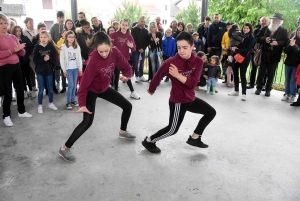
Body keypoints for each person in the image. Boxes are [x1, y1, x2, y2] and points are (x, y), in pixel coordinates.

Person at [58, 32, 136, 162]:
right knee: (87, 122)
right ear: (95, 48)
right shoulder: (93, 61)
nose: (104, 54)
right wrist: (82, 104)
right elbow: (83, 86)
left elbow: (127, 67)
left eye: (106, 50)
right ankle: (64, 148)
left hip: (104, 88)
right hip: (91, 91)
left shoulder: (115, 53)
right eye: (101, 51)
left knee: (127, 106)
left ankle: (123, 131)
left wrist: (127, 76)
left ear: (111, 46)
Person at [141, 32, 216, 154]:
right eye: (179, 47)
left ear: (193, 46)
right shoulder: (172, 62)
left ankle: (195, 138)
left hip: (190, 99)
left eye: (185, 47)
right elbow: (158, 75)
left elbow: (192, 84)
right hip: (178, 101)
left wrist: (177, 75)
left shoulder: (198, 62)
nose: (181, 51)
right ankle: (149, 141)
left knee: (211, 112)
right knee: (172, 130)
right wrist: (152, 88)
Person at [0, 14, 33, 127]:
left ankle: (21, 111)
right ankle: (6, 115)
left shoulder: (13, 37)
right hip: (4, 67)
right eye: (1, 23)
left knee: (20, 89)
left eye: (5, 23)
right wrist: (13, 49)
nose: (4, 25)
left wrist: (21, 50)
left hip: (16, 65)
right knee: (7, 92)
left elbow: (21, 53)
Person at [255, 13, 288, 97]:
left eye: (277, 20)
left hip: (275, 55)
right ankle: (258, 87)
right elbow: (257, 38)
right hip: (264, 54)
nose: (275, 22)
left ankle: (268, 89)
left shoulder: (283, 30)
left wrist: (277, 43)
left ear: (280, 22)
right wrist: (264, 39)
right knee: (261, 72)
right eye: (274, 20)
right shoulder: (266, 28)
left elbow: (286, 42)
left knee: (271, 74)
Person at [109, 19, 140, 99]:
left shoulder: (129, 36)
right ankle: (115, 93)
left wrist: (131, 46)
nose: (124, 26)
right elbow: (106, 42)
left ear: (128, 27)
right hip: (115, 59)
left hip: (125, 59)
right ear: (120, 25)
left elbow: (134, 49)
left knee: (127, 76)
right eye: (123, 24)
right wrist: (111, 46)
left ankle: (132, 92)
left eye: (126, 25)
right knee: (116, 76)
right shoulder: (114, 34)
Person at [33, 30, 59, 113]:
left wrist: (50, 59)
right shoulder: (37, 47)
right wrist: (43, 59)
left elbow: (55, 59)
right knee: (41, 89)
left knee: (50, 89)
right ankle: (39, 105)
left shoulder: (51, 47)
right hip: (40, 71)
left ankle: (51, 103)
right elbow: (35, 59)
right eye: (41, 37)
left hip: (49, 71)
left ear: (48, 38)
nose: (43, 39)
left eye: (45, 37)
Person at [228, 23, 255, 101]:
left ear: (250, 29)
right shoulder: (239, 35)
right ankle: (236, 90)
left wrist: (237, 50)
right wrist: (232, 48)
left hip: (244, 59)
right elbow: (232, 43)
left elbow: (248, 49)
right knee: (235, 74)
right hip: (236, 57)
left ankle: (244, 94)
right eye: (244, 28)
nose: (245, 29)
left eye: (247, 28)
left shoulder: (251, 38)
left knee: (242, 75)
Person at [60, 30, 83, 109]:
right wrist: (64, 70)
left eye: (73, 37)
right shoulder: (63, 47)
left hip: (75, 68)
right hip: (68, 69)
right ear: (66, 38)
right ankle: (68, 102)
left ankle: (73, 100)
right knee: (71, 85)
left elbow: (79, 58)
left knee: (74, 85)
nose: (71, 39)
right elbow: (62, 60)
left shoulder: (77, 46)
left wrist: (80, 69)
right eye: (69, 37)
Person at [11, 26, 35, 98]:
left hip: (25, 60)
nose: (18, 33)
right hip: (17, 61)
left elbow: (31, 47)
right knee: (21, 77)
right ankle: (24, 90)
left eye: (19, 31)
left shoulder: (25, 38)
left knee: (28, 75)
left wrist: (26, 53)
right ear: (14, 32)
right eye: (17, 31)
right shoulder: (12, 39)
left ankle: (31, 90)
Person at [247, 16, 270, 89]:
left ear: (268, 22)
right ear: (260, 22)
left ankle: (262, 85)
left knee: (264, 70)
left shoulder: (270, 30)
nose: (264, 22)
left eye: (266, 20)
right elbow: (254, 39)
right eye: (263, 20)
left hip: (265, 52)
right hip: (255, 51)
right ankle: (251, 83)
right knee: (253, 68)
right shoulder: (256, 30)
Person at [281, 26, 300, 103]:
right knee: (287, 79)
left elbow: (299, 53)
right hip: (288, 62)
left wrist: (294, 46)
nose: (299, 31)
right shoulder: (292, 39)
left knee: (293, 80)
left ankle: (292, 94)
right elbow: (285, 50)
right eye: (298, 30)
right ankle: (286, 93)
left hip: (296, 64)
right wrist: (290, 45)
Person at [50, 11, 66, 94]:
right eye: (60, 17)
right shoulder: (53, 27)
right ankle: (57, 83)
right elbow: (51, 39)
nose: (61, 19)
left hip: (64, 51)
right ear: (57, 18)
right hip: (55, 51)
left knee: (63, 68)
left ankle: (64, 84)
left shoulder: (65, 26)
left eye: (62, 17)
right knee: (56, 68)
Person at [131, 16, 148, 82]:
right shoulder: (133, 29)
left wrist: (143, 48)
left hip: (143, 49)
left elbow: (146, 41)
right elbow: (133, 40)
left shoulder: (146, 30)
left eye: (144, 21)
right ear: (138, 21)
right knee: (135, 63)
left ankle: (141, 75)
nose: (143, 23)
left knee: (142, 63)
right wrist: (138, 48)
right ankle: (137, 76)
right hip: (135, 49)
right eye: (142, 21)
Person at [23, 17, 38, 91]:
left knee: (36, 68)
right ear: (26, 23)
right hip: (29, 53)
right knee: (31, 70)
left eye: (32, 22)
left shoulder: (36, 31)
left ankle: (38, 84)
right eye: (30, 22)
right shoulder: (24, 32)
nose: (32, 24)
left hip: (36, 52)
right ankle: (33, 85)